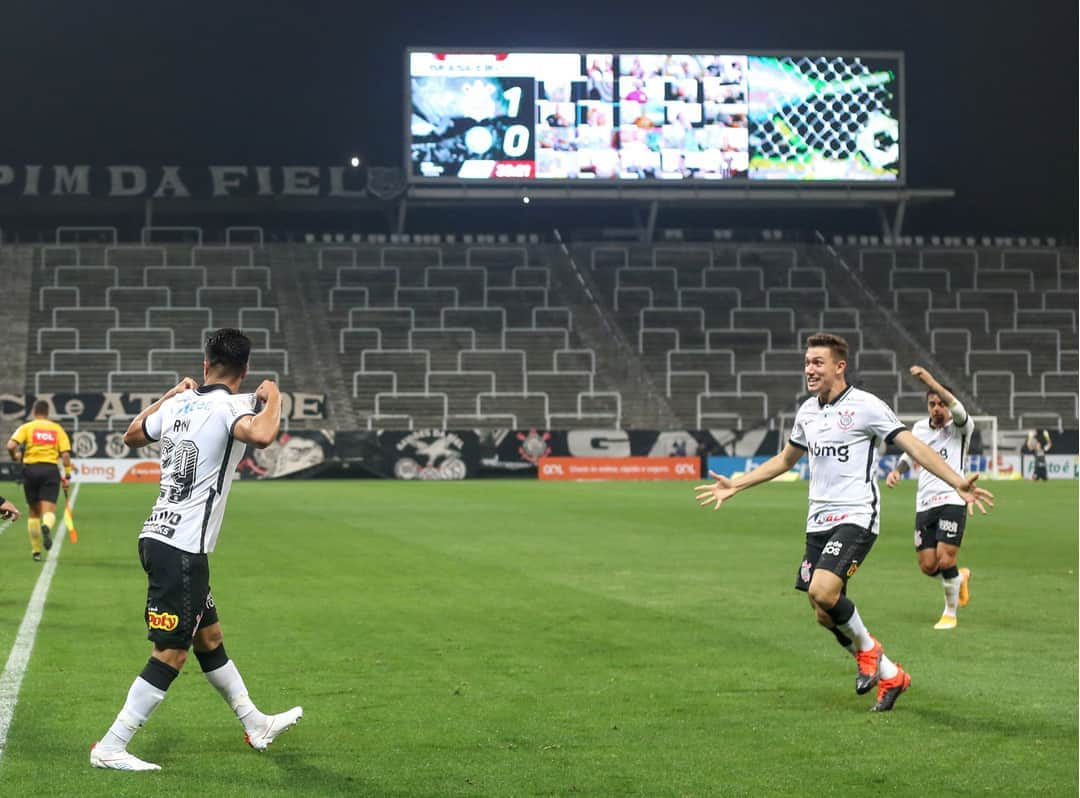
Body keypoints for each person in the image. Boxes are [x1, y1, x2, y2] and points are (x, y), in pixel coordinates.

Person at [695, 333, 993, 712]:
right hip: (817, 521)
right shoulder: (807, 412)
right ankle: (890, 673)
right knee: (823, 612)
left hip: (856, 515)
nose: (809, 369)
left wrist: (956, 480)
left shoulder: (867, 407)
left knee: (823, 591)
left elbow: (913, 446)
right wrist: (736, 484)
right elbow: (786, 460)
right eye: (806, 362)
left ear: (839, 366)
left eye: (818, 362)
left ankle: (869, 654)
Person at [90, 329, 302, 771]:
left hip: (158, 535)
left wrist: (168, 394)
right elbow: (263, 436)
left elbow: (131, 436)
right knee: (172, 651)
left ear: (204, 365)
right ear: (243, 372)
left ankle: (255, 722)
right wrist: (275, 395)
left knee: (209, 638)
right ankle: (111, 745)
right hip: (182, 548)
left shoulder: (177, 404)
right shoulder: (233, 405)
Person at [885, 366, 975, 630]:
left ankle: (950, 612)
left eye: (941, 403)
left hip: (952, 498)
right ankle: (959, 577)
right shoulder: (920, 429)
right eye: (932, 403)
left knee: (945, 559)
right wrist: (898, 471)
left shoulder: (962, 427)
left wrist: (930, 381)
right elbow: (909, 453)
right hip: (925, 503)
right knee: (928, 565)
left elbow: (957, 409)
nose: (937, 408)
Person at [7, 401, 73, 561]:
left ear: (34, 412)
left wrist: (15, 457)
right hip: (50, 470)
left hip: (30, 470)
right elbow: (65, 455)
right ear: (47, 412)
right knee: (48, 511)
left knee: (33, 513)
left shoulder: (27, 427)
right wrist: (67, 475)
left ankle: (36, 551)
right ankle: (47, 525)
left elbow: (10, 445)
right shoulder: (57, 429)